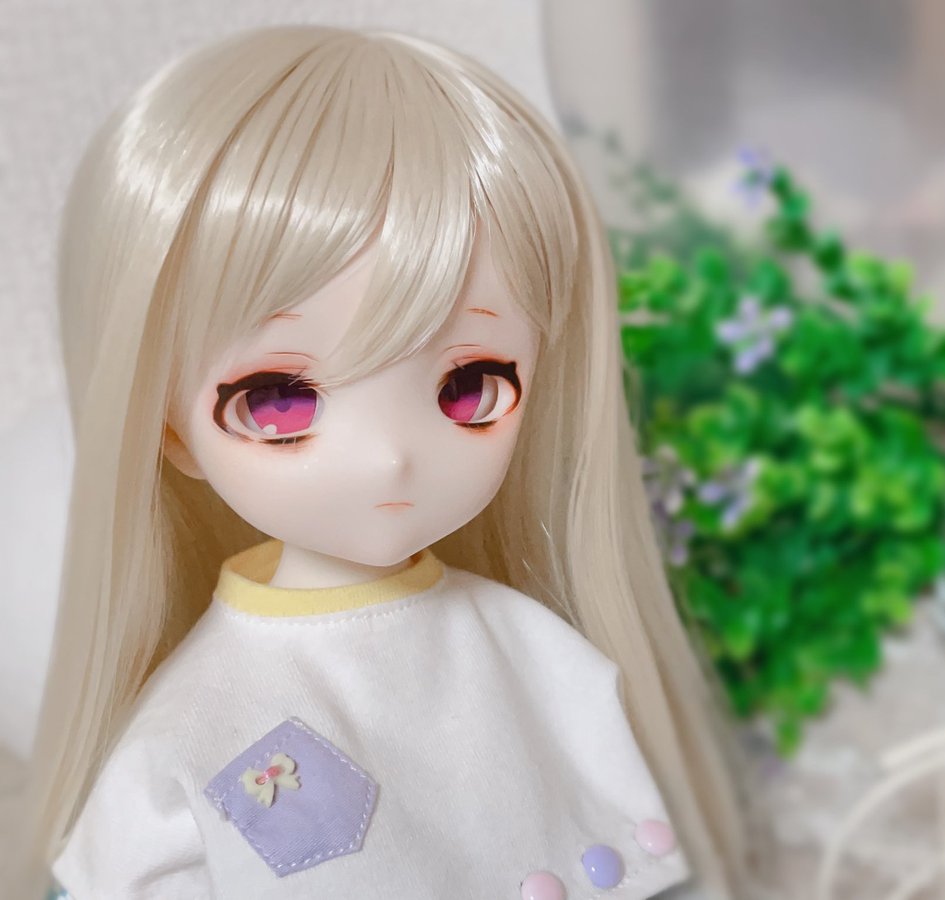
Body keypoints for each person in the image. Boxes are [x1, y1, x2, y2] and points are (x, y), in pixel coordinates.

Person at [17, 25, 766, 899]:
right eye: (279, 401)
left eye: (469, 388)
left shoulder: (530, 649)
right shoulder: (196, 722)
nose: (390, 457)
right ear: (174, 434)